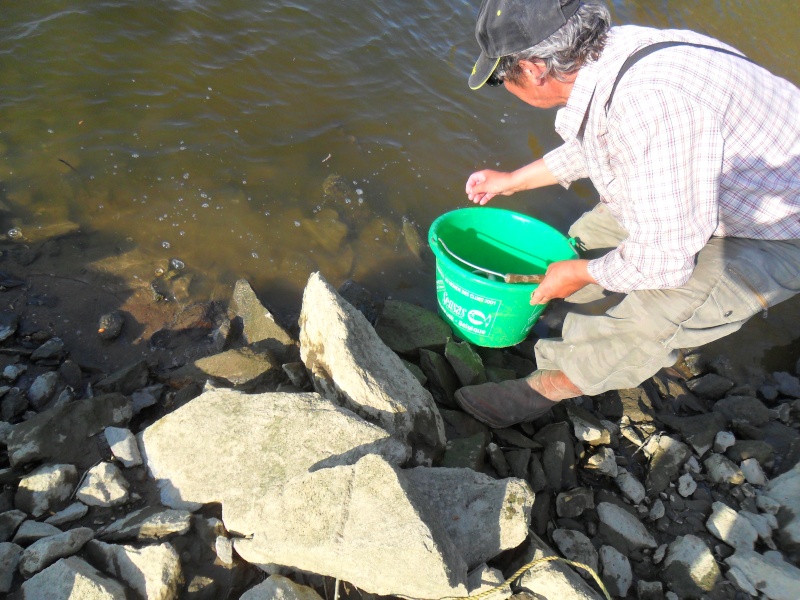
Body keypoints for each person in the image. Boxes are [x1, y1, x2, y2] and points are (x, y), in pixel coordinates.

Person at [454, 0, 800, 428]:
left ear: (531, 68)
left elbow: (664, 261)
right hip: (710, 186)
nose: (502, 85)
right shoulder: (612, 52)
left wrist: (582, 273)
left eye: (499, 77)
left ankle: (546, 386)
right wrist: (513, 180)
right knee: (581, 242)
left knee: (658, 311)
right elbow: (602, 143)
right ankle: (554, 320)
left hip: (777, 228)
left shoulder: (650, 103)